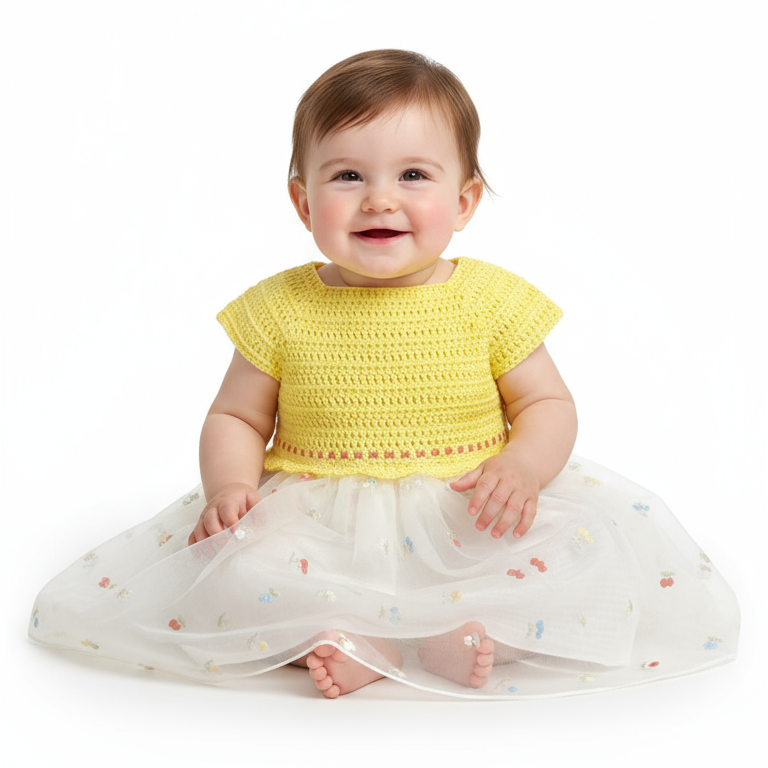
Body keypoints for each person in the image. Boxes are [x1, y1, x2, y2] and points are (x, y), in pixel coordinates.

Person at [28, 49, 740, 700]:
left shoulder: (491, 300)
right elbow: (238, 417)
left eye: (413, 175)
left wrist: (521, 469)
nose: (379, 198)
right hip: (320, 518)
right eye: (347, 176)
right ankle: (352, 641)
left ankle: (446, 638)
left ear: (463, 201)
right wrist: (231, 489)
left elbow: (547, 403)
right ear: (304, 202)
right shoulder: (278, 308)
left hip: (466, 506)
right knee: (237, 573)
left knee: (581, 561)